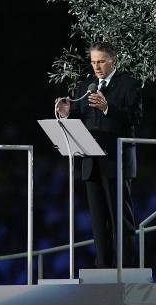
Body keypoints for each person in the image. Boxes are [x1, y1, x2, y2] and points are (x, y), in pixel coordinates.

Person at [56, 42, 142, 268]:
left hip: (116, 162)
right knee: (97, 222)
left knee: (121, 220)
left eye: (101, 61)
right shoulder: (85, 86)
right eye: (93, 62)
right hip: (90, 162)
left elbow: (135, 117)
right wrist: (65, 114)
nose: (96, 66)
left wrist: (107, 108)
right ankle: (102, 269)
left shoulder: (128, 84)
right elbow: (78, 118)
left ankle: (126, 269)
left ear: (113, 60)